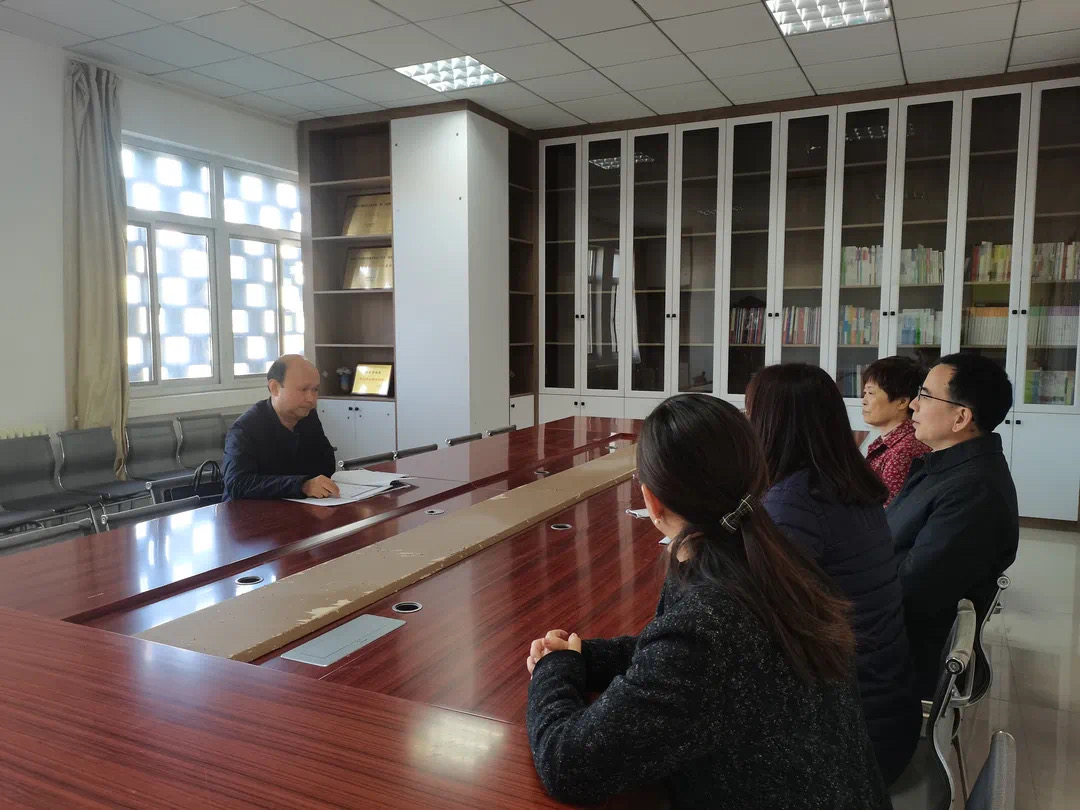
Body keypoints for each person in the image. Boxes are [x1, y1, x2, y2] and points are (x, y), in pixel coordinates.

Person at [524, 395, 889, 809]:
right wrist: (584, 657)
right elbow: (666, 656)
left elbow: (568, 766)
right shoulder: (774, 559)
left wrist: (553, 671)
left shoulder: (709, 625)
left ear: (652, 501)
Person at [745, 364, 920, 785]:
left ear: (770, 422)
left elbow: (753, 631)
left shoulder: (794, 501)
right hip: (884, 710)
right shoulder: (842, 482)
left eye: (750, 413)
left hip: (853, 743)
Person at [888, 353, 1019, 697]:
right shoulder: (944, 467)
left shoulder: (973, 490)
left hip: (901, 658)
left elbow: (912, 591)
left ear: (961, 417)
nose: (913, 404)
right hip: (888, 629)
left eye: (926, 395)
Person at [222, 355, 339, 502]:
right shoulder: (244, 429)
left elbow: (326, 464)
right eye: (303, 389)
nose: (311, 399)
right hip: (248, 512)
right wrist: (302, 485)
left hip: (298, 507)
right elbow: (237, 484)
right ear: (275, 388)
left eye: (315, 389)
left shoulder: (308, 418)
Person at [861, 357, 931, 504]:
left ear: (902, 402)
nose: (864, 401)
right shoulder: (890, 441)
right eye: (864, 393)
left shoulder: (904, 451)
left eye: (871, 393)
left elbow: (889, 511)